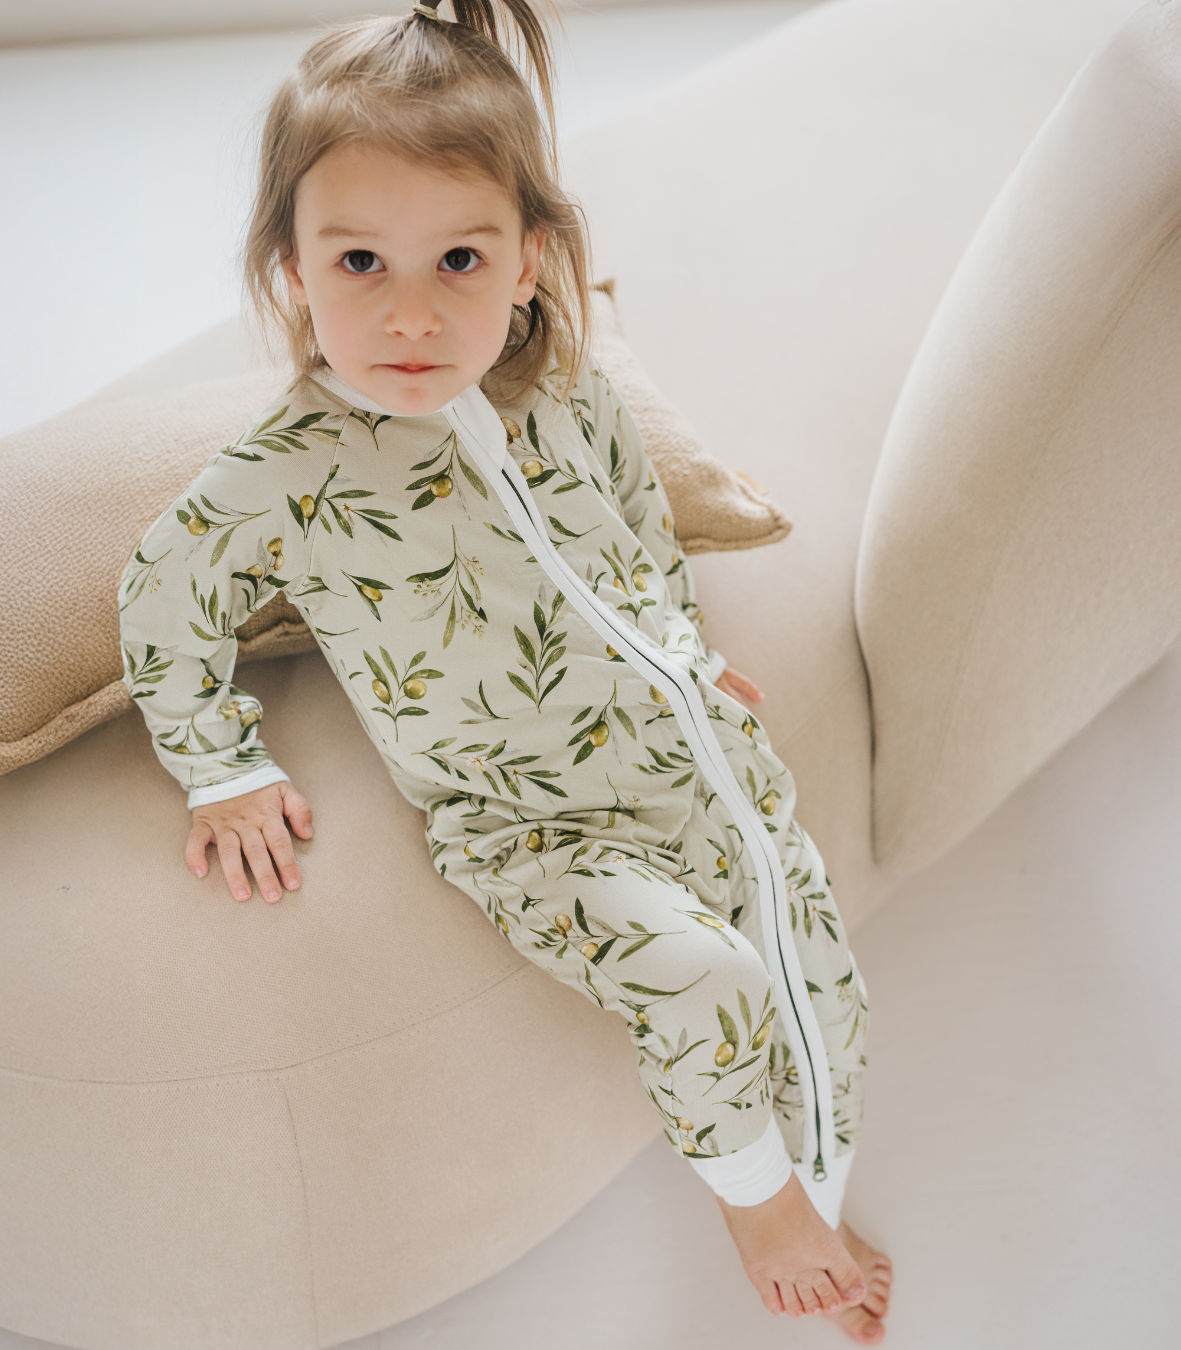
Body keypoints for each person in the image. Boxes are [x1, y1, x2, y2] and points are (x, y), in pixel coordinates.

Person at [117, 0, 891, 1339]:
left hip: (690, 755)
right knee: (702, 981)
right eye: (360, 261)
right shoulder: (288, 472)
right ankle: (763, 1211)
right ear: (292, 267)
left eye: (459, 259)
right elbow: (160, 593)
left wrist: (681, 646)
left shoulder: (563, 386)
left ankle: (818, 1175)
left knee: (816, 980)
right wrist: (219, 765)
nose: (412, 313)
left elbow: (632, 514)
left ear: (529, 260)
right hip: (532, 826)